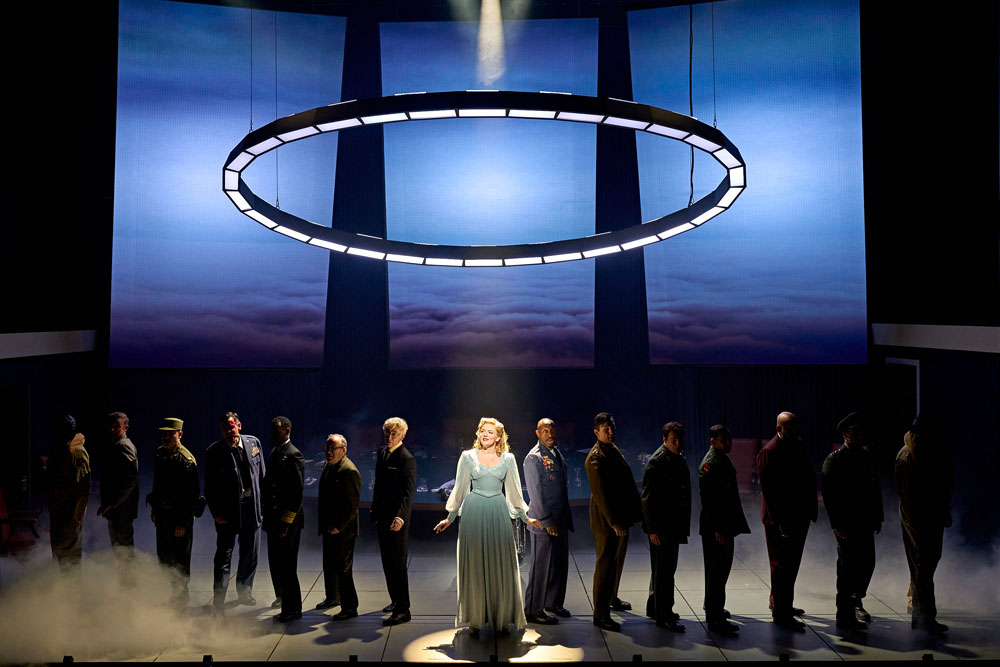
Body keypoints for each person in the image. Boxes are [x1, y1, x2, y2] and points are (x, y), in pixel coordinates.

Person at [434, 417, 543, 636]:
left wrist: (525, 517)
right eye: (483, 431)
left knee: (501, 564)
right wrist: (450, 517)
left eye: (490, 432)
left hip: (497, 511)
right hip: (474, 512)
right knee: (475, 565)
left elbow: (514, 491)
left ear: (499, 437)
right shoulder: (468, 457)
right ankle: (476, 618)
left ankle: (501, 616)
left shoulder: (508, 459)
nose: (485, 434)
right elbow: (460, 489)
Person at [756, 411, 817, 630]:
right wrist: (780, 521)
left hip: (798, 516)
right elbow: (770, 491)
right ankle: (781, 614)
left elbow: (807, 477)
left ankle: (783, 604)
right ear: (778, 428)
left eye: (795, 426)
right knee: (781, 565)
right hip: (781, 520)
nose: (794, 430)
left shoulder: (796, 445)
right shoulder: (770, 451)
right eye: (789, 427)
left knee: (791, 563)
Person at [822, 411, 882, 632]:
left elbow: (874, 489)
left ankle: (856, 600)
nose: (859, 437)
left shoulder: (866, 456)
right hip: (846, 523)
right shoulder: (835, 460)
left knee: (867, 564)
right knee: (847, 568)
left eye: (860, 433)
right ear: (845, 435)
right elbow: (830, 497)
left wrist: (878, 517)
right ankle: (844, 614)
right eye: (855, 433)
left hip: (864, 520)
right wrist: (837, 524)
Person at [896, 413, 953, 635]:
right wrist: (918, 527)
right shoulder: (906, 457)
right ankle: (923, 618)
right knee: (922, 567)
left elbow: (942, 483)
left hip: (931, 518)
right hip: (917, 520)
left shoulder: (932, 451)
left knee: (926, 565)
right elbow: (907, 498)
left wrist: (943, 511)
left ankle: (919, 611)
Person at [585, 412, 642, 632]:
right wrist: (614, 521)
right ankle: (600, 614)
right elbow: (601, 496)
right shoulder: (595, 458)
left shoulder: (612, 449)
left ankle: (612, 597)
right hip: (607, 518)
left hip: (620, 515)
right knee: (606, 564)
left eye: (612, 427)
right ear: (596, 432)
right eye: (605, 429)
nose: (610, 432)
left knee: (617, 560)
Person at [205, 411, 265, 611]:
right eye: (224, 429)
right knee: (224, 556)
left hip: (251, 508)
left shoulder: (253, 443)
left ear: (239, 426)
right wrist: (216, 513)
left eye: (231, 427)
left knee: (250, 553)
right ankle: (219, 599)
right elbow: (210, 488)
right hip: (228, 512)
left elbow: (262, 476)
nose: (228, 432)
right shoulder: (214, 452)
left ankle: (245, 591)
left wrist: (262, 504)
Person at [698, 424, 750, 635]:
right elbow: (710, 500)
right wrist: (718, 528)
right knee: (716, 572)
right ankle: (715, 617)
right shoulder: (711, 463)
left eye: (729, 439)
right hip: (716, 528)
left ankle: (715, 608)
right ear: (713, 441)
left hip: (723, 526)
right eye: (724, 440)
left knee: (721, 571)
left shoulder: (720, 459)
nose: (729, 443)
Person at [522, 418, 573, 625]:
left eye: (552, 430)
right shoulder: (533, 458)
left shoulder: (556, 453)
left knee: (559, 565)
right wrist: (547, 520)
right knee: (541, 568)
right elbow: (536, 494)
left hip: (560, 519)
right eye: (545, 431)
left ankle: (553, 603)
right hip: (543, 522)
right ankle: (533, 610)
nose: (550, 434)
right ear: (537, 433)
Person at [641, 421, 690, 632]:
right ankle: (664, 615)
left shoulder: (676, 457)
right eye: (673, 440)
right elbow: (648, 499)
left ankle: (655, 608)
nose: (678, 444)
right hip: (662, 527)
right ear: (664, 439)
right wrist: (652, 529)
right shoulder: (657, 462)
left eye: (679, 440)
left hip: (672, 524)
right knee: (664, 572)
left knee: (665, 569)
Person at [147, 417, 201, 604]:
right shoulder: (160, 454)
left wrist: (183, 523)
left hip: (179, 517)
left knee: (180, 560)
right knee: (164, 557)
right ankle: (171, 595)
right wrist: (155, 509)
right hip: (163, 515)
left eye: (171, 433)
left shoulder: (186, 459)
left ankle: (181, 599)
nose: (167, 437)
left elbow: (192, 495)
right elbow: (157, 485)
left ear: (180, 434)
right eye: (164, 433)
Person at [371, 417, 417, 625]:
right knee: (387, 563)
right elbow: (379, 486)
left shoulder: (406, 459)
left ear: (402, 436)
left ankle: (403, 609)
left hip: (397, 519)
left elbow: (408, 493)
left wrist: (400, 516)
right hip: (382, 516)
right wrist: (375, 510)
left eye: (394, 434)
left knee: (398, 564)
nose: (389, 437)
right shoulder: (382, 452)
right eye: (387, 433)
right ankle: (395, 600)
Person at [263, 416, 305, 623]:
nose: (273, 434)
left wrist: (286, 522)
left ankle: (293, 609)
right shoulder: (276, 451)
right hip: (273, 519)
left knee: (287, 566)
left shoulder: (293, 454)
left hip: (286, 522)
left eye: (277, 430)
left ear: (287, 431)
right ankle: (283, 600)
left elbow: (296, 494)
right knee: (277, 564)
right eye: (272, 430)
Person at [317, 433, 361, 621]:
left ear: (343, 450)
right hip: (329, 526)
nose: (328, 452)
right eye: (327, 448)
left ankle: (350, 607)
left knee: (343, 568)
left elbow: (352, 505)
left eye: (332, 448)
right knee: (329, 564)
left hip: (343, 529)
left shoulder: (349, 471)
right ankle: (333, 597)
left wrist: (339, 526)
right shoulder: (329, 466)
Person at [97, 411, 139, 574]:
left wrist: (113, 502)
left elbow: (132, 478)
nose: (112, 429)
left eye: (116, 426)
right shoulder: (116, 445)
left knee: (124, 553)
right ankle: (126, 587)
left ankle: (129, 588)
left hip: (122, 511)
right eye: (110, 426)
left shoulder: (123, 446)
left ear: (125, 427)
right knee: (120, 552)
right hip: (118, 510)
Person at [48, 414, 91, 570]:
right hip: (58, 510)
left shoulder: (76, 452)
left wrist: (77, 515)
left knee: (71, 558)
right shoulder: (62, 450)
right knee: (60, 553)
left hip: (69, 511)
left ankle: (72, 586)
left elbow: (83, 488)